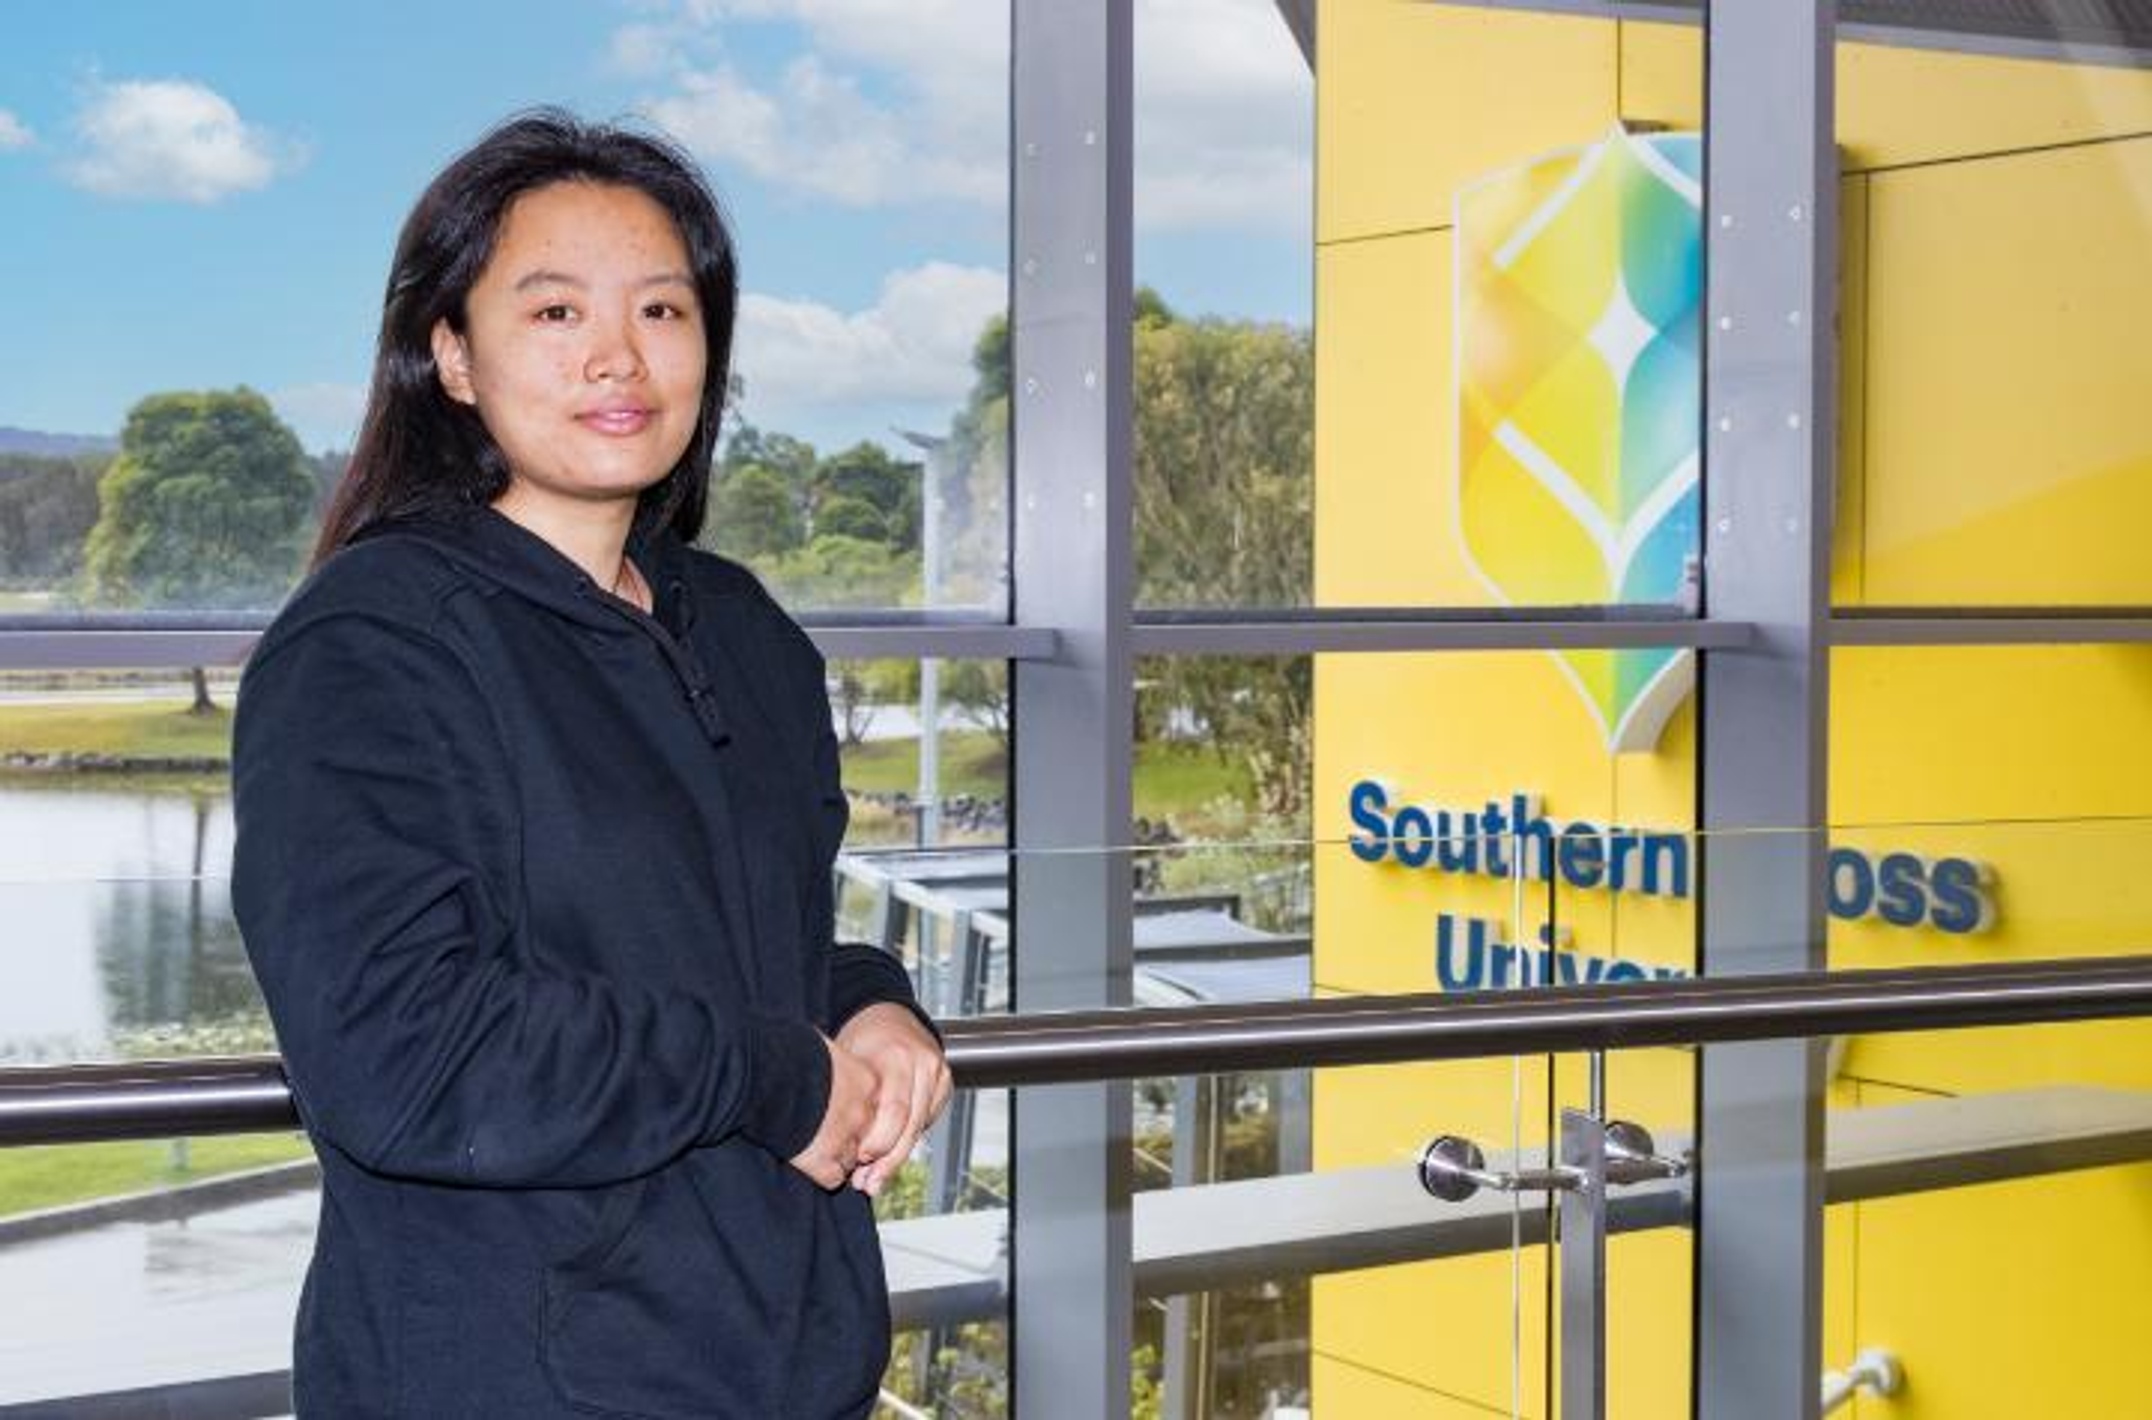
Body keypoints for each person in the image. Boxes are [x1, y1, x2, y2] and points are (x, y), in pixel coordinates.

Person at [232, 109, 950, 1418]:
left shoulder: (741, 632)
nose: (620, 355)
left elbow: (739, 941)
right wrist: (769, 1074)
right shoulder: (373, 644)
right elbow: (401, 1055)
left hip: (786, 1371)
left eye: (664, 313)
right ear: (450, 353)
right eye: (554, 312)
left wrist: (872, 1003)